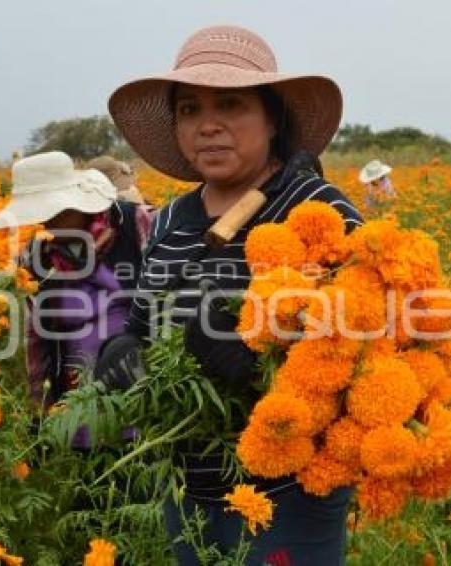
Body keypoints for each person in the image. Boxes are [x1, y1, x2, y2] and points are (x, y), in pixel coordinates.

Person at [95, 25, 364, 565]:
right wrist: (122, 349)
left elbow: (371, 345)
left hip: (286, 491)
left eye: (231, 105)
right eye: (190, 109)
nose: (208, 125)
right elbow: (146, 322)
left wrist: (263, 358)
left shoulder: (315, 209)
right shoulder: (171, 218)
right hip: (186, 484)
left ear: (272, 117)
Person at [0, 151, 151, 436]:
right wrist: (40, 407)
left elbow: (168, 297)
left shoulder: (135, 224)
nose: (47, 222)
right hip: (77, 394)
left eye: (54, 212)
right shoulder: (37, 254)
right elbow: (37, 334)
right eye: (40, 215)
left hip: (143, 381)